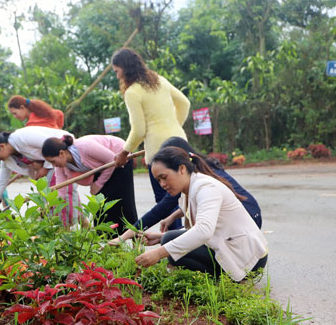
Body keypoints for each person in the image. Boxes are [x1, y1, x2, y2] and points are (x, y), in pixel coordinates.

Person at [134, 146, 268, 282]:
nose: (162, 184)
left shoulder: (206, 188)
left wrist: (158, 253)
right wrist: (159, 237)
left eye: (164, 177)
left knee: (169, 246)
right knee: (168, 238)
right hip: (235, 249)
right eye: (158, 180)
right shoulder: (189, 190)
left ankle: (223, 283)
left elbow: (203, 231)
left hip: (250, 258)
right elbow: (197, 230)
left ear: (182, 169)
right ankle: (216, 281)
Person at [110, 137, 262, 245]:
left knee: (178, 240)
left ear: (180, 164)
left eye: (164, 176)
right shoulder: (200, 170)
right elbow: (201, 203)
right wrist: (173, 217)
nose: (163, 184)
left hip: (245, 223)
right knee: (175, 238)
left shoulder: (198, 179)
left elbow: (157, 212)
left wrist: (123, 237)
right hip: (249, 216)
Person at [110, 47, 191, 204]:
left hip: (157, 150)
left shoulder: (132, 92)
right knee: (188, 198)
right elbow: (184, 103)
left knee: (165, 203)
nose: (117, 76)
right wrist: (173, 127)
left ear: (125, 69)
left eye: (117, 71)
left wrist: (124, 153)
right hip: (180, 143)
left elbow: (139, 130)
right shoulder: (159, 80)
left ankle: (174, 230)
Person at [0, 126, 80, 225]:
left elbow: (49, 144)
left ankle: (63, 229)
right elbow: (1, 182)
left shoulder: (21, 137)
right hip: (49, 167)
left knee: (55, 200)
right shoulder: (6, 161)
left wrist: (44, 168)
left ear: (2, 146)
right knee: (55, 199)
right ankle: (82, 227)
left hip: (58, 159)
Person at [41, 134, 138, 233]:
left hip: (119, 159)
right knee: (100, 206)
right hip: (102, 168)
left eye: (53, 161)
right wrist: (49, 205)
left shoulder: (85, 146)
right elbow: (61, 189)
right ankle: (109, 240)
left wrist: (98, 184)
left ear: (61, 153)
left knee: (124, 203)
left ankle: (135, 236)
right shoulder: (60, 166)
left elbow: (111, 159)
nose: (53, 165)